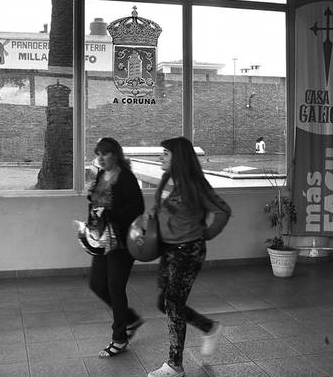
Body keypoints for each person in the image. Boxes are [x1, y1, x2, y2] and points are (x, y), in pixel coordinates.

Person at [147, 136, 232, 377]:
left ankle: (175, 365)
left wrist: (207, 234)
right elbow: (164, 207)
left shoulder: (195, 184)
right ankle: (209, 328)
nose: (160, 158)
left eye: (165, 154)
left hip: (188, 251)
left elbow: (223, 210)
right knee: (164, 302)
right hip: (169, 248)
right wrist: (152, 218)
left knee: (172, 302)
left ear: (179, 158)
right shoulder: (166, 180)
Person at [86, 137, 146, 358]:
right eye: (98, 153)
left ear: (116, 155)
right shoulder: (101, 174)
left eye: (105, 153)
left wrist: (109, 212)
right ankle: (130, 319)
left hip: (122, 242)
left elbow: (137, 209)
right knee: (96, 284)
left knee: (115, 287)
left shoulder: (127, 177)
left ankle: (119, 338)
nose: (100, 158)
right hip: (103, 239)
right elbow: (97, 204)